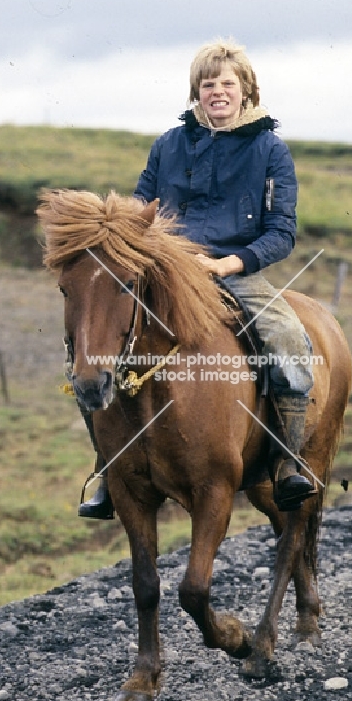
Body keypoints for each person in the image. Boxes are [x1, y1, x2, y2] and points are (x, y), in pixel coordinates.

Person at [79, 39, 315, 518]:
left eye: (228, 83)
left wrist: (230, 264)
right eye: (209, 85)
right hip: (165, 270)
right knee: (96, 349)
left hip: (233, 272)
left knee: (288, 339)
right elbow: (139, 209)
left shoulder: (270, 149)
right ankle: (110, 467)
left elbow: (282, 233)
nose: (219, 92)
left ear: (246, 90)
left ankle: (287, 462)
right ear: (196, 92)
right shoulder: (169, 144)